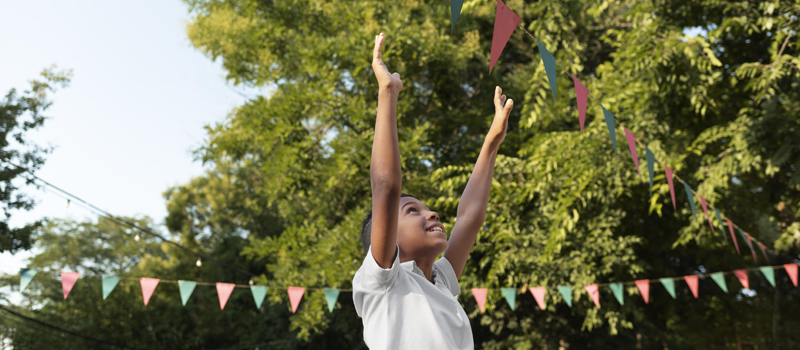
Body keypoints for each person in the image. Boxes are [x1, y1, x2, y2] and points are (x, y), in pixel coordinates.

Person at [352, 33, 514, 350]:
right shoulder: (384, 279)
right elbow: (385, 187)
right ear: (387, 237)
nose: (431, 213)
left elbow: (469, 217)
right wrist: (388, 92)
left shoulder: (439, 281)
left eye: (425, 208)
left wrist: (492, 142)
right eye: (412, 211)